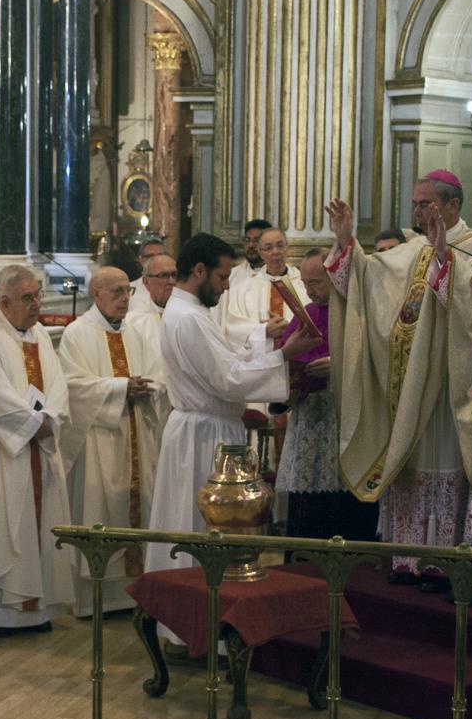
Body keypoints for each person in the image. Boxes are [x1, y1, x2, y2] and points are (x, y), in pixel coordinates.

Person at [324, 170, 472, 586]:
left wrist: (447, 263)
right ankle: (408, 557)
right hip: (408, 385)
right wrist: (346, 243)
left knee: (443, 463)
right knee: (410, 465)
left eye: (426, 203)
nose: (418, 211)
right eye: (415, 204)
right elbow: (369, 279)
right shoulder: (412, 250)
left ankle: (447, 558)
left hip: (450, 390)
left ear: (453, 205)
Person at [146, 233, 321, 575]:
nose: (226, 287)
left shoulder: (188, 311)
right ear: (199, 270)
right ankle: (198, 609)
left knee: (195, 525)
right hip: (204, 434)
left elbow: (222, 364)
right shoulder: (189, 317)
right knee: (201, 528)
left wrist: (260, 336)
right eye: (222, 276)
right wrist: (286, 353)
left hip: (201, 428)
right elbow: (229, 381)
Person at [0, 265, 74, 634]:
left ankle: (37, 611)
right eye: (28, 297)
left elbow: (58, 383)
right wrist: (33, 424)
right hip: (2, 450)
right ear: (3, 301)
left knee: (40, 524)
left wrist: (50, 418)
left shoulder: (39, 334)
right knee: (5, 524)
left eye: (38, 294)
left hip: (38, 445)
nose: (37, 303)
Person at [58, 267, 167, 615]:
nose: (124, 298)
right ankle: (98, 601)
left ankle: (139, 593)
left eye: (128, 291)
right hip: (100, 438)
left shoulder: (138, 331)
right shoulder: (77, 333)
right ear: (96, 294)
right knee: (98, 508)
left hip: (139, 428)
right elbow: (72, 386)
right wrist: (120, 388)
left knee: (142, 506)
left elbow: (160, 373)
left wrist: (149, 387)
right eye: (116, 291)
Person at [276, 250, 378, 542]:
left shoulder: (358, 313)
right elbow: (282, 364)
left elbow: (377, 362)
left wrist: (339, 364)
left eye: (316, 282)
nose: (309, 290)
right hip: (310, 419)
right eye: (305, 283)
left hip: (347, 417)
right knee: (310, 506)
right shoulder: (303, 317)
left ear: (335, 277)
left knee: (346, 502)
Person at [218, 227, 308, 349]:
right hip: (261, 362)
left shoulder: (302, 283)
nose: (275, 251)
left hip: (298, 359)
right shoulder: (245, 288)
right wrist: (263, 330)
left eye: (280, 246)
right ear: (260, 252)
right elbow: (233, 326)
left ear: (287, 248)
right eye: (268, 247)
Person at [129, 253, 176, 324]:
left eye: (174, 275)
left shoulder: (190, 311)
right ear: (146, 282)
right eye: (163, 275)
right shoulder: (135, 319)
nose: (171, 281)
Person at [229, 218, 272, 286]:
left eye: (256, 240)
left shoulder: (285, 277)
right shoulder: (231, 276)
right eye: (247, 240)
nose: (250, 245)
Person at [127, 237, 165, 307]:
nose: (156, 260)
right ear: (141, 260)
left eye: (160, 256)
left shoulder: (173, 289)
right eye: (150, 256)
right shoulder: (128, 290)